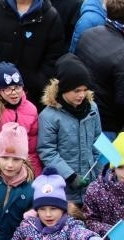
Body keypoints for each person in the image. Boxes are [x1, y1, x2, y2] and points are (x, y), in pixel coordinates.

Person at [37, 58, 102, 210]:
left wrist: (99, 171)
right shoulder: (49, 116)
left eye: (85, 90)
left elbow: (98, 140)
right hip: (64, 189)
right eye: (76, 91)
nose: (81, 95)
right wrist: (70, 176)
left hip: (90, 185)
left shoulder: (92, 109)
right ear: (63, 89)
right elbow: (47, 151)